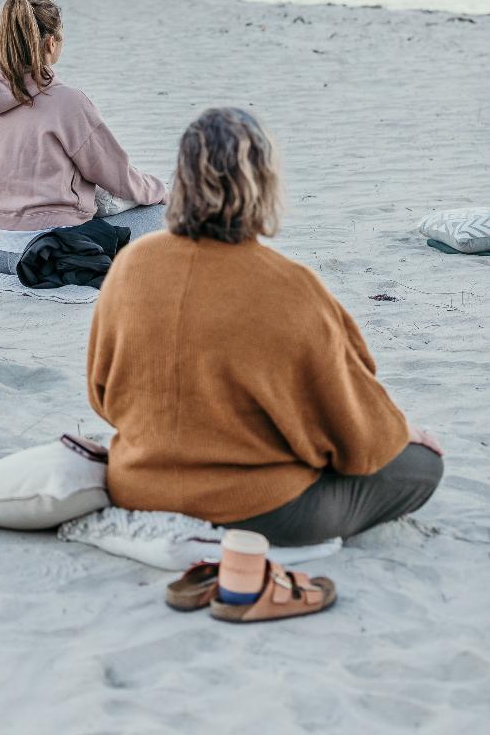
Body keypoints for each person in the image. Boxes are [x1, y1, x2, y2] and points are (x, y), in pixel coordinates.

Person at [87, 107, 443, 545]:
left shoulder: (131, 265)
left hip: (138, 488)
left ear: (183, 180)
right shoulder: (290, 286)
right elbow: (357, 437)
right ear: (263, 185)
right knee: (422, 465)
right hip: (259, 511)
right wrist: (398, 432)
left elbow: (101, 397)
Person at [0, 0, 167, 275]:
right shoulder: (68, 102)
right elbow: (117, 176)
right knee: (162, 215)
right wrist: (160, 191)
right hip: (49, 250)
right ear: (51, 43)